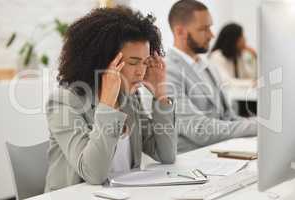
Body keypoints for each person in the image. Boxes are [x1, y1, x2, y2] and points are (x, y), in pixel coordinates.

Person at [45, 6, 176, 192]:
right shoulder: (63, 102)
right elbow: (94, 173)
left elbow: (166, 154)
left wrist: (161, 95)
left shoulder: (128, 97)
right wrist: (107, 104)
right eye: (133, 62)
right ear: (103, 61)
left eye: (145, 62)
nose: (141, 71)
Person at [165, 0, 256, 154]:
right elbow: (200, 130)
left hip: (222, 152)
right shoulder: (167, 71)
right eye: (204, 29)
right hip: (192, 161)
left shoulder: (208, 66)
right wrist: (261, 126)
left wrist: (264, 125)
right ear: (180, 32)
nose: (211, 35)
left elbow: (228, 117)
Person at [209, 23, 257, 88]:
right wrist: (252, 83)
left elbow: (248, 76)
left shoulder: (238, 56)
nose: (245, 40)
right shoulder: (217, 56)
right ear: (232, 40)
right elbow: (226, 82)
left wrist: (255, 57)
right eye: (241, 37)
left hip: (239, 95)